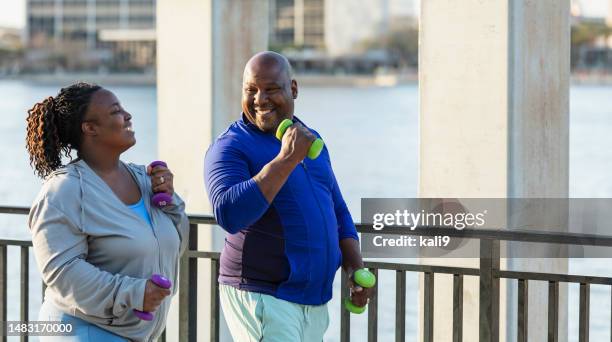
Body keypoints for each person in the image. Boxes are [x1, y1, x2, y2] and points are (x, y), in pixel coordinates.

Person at [204, 51, 372, 341]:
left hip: (313, 301)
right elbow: (228, 213)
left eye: (271, 89)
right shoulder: (229, 147)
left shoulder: (310, 139)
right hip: (263, 295)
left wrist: (354, 267)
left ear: (292, 89)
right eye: (251, 90)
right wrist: (286, 159)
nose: (259, 99)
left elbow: (338, 210)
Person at [25, 82, 189, 341]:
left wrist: (169, 201)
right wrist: (134, 293)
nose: (127, 115)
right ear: (90, 128)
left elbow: (172, 248)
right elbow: (62, 273)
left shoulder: (143, 179)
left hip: (134, 334)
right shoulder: (64, 190)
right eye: (115, 111)